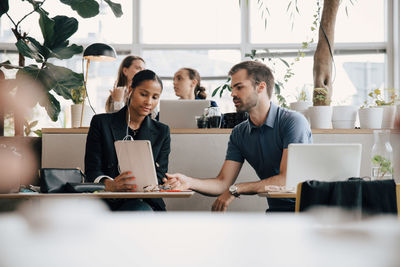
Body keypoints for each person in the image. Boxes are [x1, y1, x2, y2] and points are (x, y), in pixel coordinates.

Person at [164, 61, 312, 212]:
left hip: (310, 212)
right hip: (278, 213)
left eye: (239, 87)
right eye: (232, 88)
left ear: (261, 87)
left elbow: (286, 179)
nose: (233, 94)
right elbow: (222, 183)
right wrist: (188, 182)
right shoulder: (239, 133)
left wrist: (237, 188)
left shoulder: (293, 122)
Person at [85, 69, 170, 211]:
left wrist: (161, 182)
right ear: (130, 90)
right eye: (143, 94)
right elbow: (92, 170)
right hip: (108, 200)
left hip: (145, 201)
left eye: (155, 97)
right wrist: (109, 184)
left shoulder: (162, 131)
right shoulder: (101, 123)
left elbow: (160, 175)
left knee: (138, 209)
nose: (149, 102)